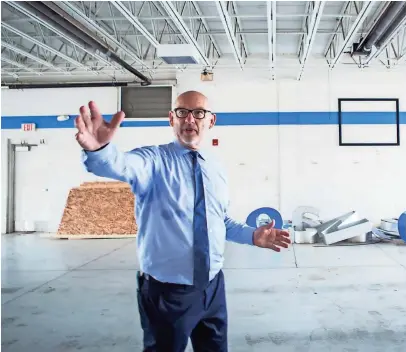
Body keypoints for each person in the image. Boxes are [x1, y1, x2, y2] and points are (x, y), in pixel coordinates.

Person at [75, 90, 291, 352]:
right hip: (167, 294)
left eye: (198, 113)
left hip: (212, 287)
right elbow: (120, 165)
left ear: (210, 121)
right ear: (171, 119)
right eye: (182, 112)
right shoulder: (153, 161)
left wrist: (252, 236)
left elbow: (218, 219)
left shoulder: (215, 167)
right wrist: (100, 150)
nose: (190, 119)